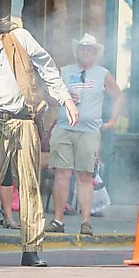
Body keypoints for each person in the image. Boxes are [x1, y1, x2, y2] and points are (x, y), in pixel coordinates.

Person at [0, 1, 78, 267]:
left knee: (30, 185)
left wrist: (65, 98)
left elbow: (47, 67)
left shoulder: (18, 38)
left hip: (24, 120)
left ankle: (31, 249)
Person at [50, 33, 123, 235]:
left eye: (89, 49)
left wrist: (113, 120)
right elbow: (49, 97)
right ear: (77, 51)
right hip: (64, 127)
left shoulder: (102, 73)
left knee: (85, 175)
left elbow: (118, 95)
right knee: (62, 173)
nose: (85, 52)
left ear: (95, 53)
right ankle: (58, 220)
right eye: (82, 48)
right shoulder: (64, 71)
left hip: (90, 130)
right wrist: (64, 99)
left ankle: (85, 221)